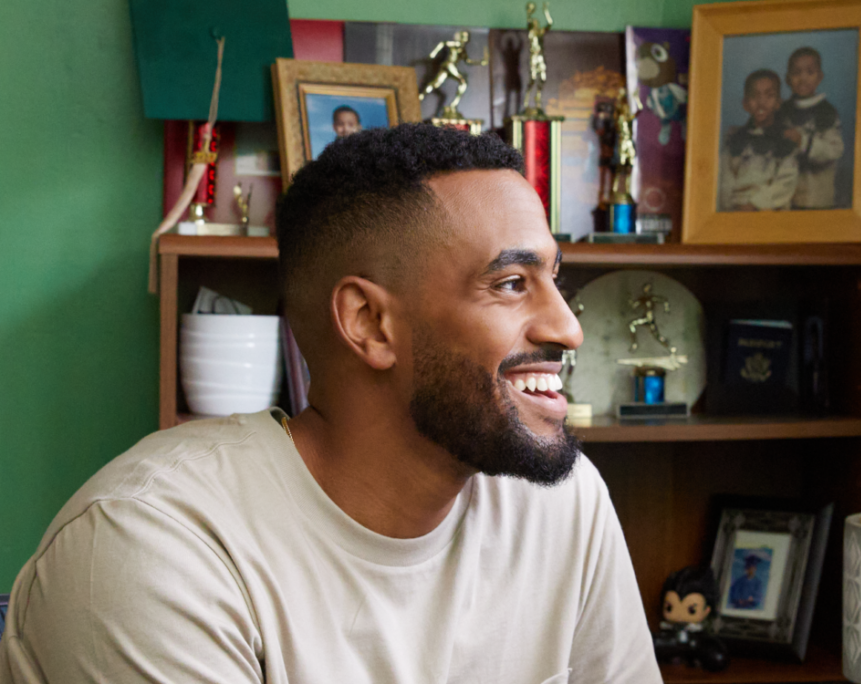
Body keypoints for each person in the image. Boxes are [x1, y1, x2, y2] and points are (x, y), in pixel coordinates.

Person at [0, 124, 661, 683]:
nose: (568, 328)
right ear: (370, 323)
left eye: (555, 277)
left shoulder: (559, 502)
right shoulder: (149, 551)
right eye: (512, 283)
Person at [718, 69, 798, 212]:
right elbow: (725, 178)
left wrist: (755, 204)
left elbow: (786, 183)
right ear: (745, 103)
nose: (761, 102)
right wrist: (732, 207)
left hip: (770, 212)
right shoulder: (735, 139)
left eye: (769, 96)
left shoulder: (785, 140)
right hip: (737, 210)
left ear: (778, 102)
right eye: (755, 96)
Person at [778, 47, 845, 209]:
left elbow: (835, 150)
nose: (803, 79)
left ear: (819, 77)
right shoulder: (782, 110)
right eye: (796, 73)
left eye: (810, 72)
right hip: (787, 196)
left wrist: (803, 141)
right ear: (787, 79)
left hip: (817, 195)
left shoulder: (826, 112)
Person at [652, 566, 728, 672]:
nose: (678, 615)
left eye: (691, 610)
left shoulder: (699, 637)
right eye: (669, 608)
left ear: (706, 610)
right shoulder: (666, 631)